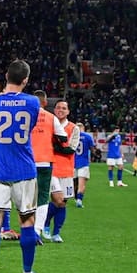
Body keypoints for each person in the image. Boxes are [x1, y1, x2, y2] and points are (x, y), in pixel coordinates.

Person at [0, 59, 41, 273]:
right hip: (24, 170)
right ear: (25, 80)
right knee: (26, 221)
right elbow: (30, 127)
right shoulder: (33, 102)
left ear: (6, 75)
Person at [30, 89, 67, 243]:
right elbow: (63, 138)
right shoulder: (51, 117)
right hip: (44, 162)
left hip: (26, 162)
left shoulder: (25, 116)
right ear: (45, 102)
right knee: (43, 198)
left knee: (26, 198)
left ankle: (26, 229)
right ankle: (36, 231)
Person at [42, 101, 80, 243]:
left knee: (62, 203)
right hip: (51, 168)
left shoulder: (74, 128)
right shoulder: (48, 124)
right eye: (58, 107)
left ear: (68, 111)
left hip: (67, 169)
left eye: (64, 108)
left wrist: (53, 147)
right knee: (57, 199)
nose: (60, 110)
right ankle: (45, 224)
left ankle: (56, 232)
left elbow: (71, 149)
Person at [74, 122, 96, 208]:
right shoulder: (87, 137)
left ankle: (75, 196)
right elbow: (92, 149)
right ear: (83, 128)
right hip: (83, 163)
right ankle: (79, 200)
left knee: (74, 182)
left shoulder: (72, 136)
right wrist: (94, 155)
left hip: (73, 163)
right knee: (82, 184)